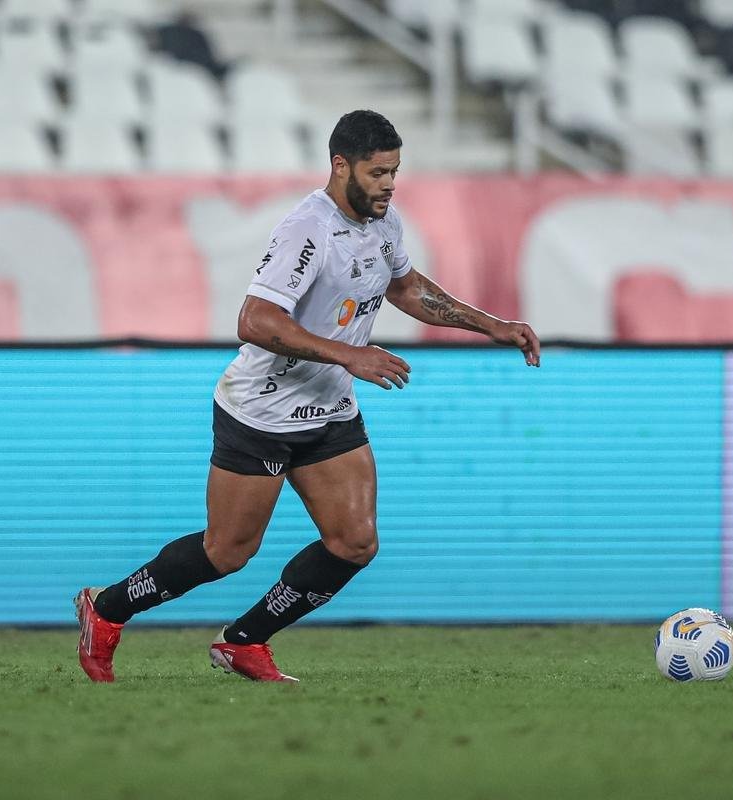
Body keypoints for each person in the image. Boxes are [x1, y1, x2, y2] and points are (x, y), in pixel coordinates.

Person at [75, 110, 541, 683]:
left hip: (328, 410)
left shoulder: (382, 222)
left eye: (394, 172)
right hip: (262, 412)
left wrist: (489, 324)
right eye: (377, 173)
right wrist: (350, 354)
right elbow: (255, 319)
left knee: (354, 542)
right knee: (227, 552)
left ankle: (243, 642)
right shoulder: (308, 229)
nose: (389, 184)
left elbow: (405, 287)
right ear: (340, 165)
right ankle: (107, 609)